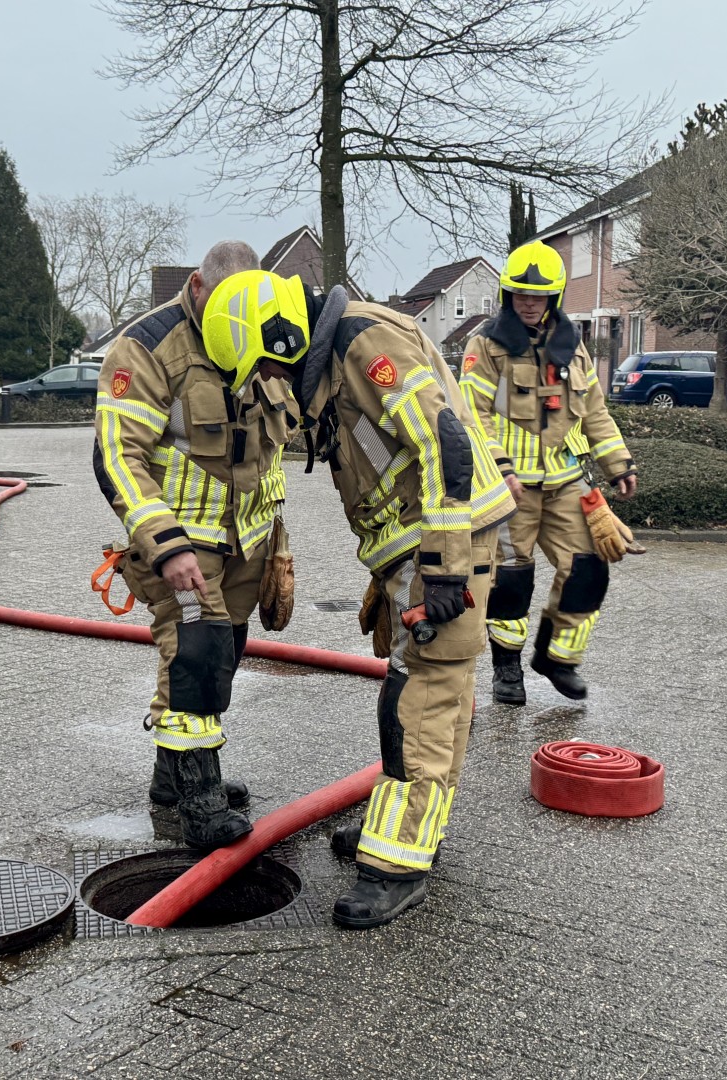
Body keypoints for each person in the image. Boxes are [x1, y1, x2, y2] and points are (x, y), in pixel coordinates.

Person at [199, 269, 516, 928]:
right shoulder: (334, 357)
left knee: (420, 699)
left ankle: (395, 867)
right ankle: (408, 829)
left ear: (284, 337)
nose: (271, 383)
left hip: (447, 544)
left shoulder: (366, 345)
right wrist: (394, 570)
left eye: (267, 368)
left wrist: (442, 571)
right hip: (421, 546)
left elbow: (444, 444)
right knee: (432, 690)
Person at [92, 241, 293, 851]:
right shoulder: (148, 347)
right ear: (199, 285)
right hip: (181, 544)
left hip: (248, 541)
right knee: (195, 656)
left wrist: (276, 539)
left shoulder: (258, 326)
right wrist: (165, 544)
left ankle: (171, 779)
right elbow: (116, 455)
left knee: (224, 653)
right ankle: (201, 805)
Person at [459, 239, 637, 705]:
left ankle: (558, 658)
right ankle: (506, 668)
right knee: (510, 581)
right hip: (509, 488)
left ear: (553, 297)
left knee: (588, 568)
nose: (529, 303)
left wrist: (618, 464)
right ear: (508, 295)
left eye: (538, 296)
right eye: (521, 294)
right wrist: (499, 468)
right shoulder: (487, 346)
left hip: (565, 481)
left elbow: (595, 411)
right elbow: (472, 414)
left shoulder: (572, 347)